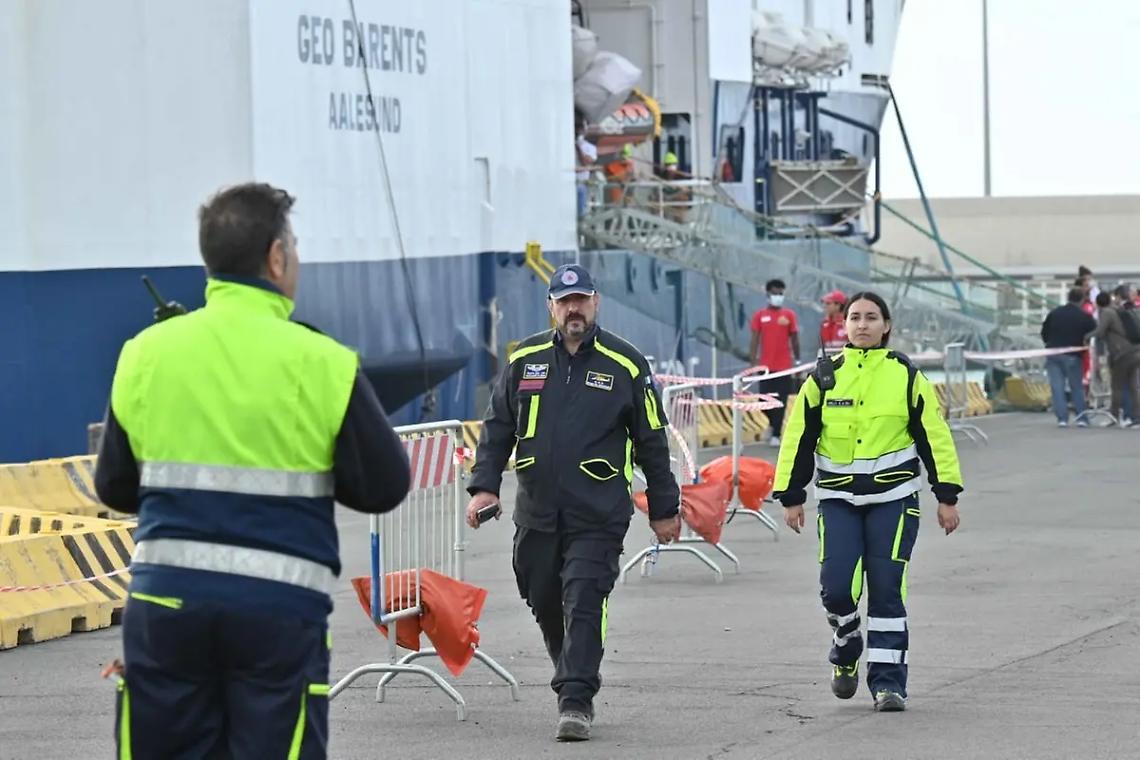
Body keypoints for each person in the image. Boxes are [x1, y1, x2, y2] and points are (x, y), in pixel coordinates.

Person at [94, 182, 412, 759]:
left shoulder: (146, 352)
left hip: (167, 608)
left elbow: (114, 485)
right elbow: (386, 485)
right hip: (276, 613)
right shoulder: (321, 361)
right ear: (275, 256)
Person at [465, 263, 681, 742]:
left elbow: (652, 440)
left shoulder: (625, 364)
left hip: (598, 512)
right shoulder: (526, 359)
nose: (573, 309)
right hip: (537, 512)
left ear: (596, 303)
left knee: (584, 597)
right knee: (543, 597)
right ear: (551, 307)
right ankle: (573, 668)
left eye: (581, 299)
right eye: (564, 301)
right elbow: (498, 425)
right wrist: (484, 486)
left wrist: (665, 508)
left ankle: (576, 698)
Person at [773, 291, 963, 713]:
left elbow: (935, 437)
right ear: (844, 326)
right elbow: (798, 438)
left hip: (893, 501)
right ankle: (847, 643)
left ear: (886, 326)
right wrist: (791, 494)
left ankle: (888, 684)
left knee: (886, 593)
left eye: (871, 317)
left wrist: (945, 495)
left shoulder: (906, 376)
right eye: (854, 317)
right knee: (837, 588)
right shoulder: (824, 377)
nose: (861, 324)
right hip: (838, 499)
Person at [749, 279, 801, 447]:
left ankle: (776, 434)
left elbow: (794, 339)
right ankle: (772, 424)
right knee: (763, 402)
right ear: (768, 294)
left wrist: (798, 361)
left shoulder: (789, 315)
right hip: (765, 367)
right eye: (774, 293)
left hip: (784, 367)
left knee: (781, 401)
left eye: (780, 293)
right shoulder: (760, 316)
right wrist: (753, 363)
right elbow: (755, 340)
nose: (777, 296)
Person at [1041, 287, 1097, 427]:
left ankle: (1062, 419)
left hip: (1053, 353)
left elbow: (1044, 332)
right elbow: (1094, 330)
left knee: (1057, 387)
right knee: (1076, 387)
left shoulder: (1055, 313)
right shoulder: (1084, 315)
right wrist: (1084, 343)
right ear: (1082, 299)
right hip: (1073, 354)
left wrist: (1049, 343)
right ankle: (1081, 418)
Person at [1086, 290, 1140, 427]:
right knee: (1133, 386)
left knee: (1117, 387)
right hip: (1134, 350)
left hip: (1121, 353)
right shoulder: (1119, 310)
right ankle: (1136, 418)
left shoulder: (1106, 313)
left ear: (1097, 304)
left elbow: (1100, 331)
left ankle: (1113, 416)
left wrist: (1086, 337)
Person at [574, 110, 597, 217]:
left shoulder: (590, 148)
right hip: (567, 182)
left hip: (581, 183)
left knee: (580, 214)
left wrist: (578, 148)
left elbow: (586, 162)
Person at [819, 290, 848, 355]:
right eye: (823, 303)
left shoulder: (848, 322)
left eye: (828, 303)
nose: (824, 306)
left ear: (838, 305)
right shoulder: (825, 323)